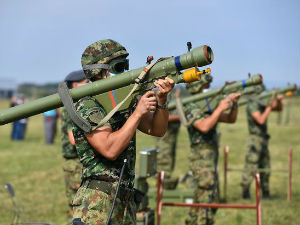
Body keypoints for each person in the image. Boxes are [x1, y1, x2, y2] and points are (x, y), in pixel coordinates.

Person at [71, 39, 174, 225]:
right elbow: (110, 149)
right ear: (100, 71)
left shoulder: (123, 99)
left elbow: (157, 129)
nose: (124, 72)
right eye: (118, 66)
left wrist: (162, 101)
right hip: (99, 203)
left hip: (125, 200)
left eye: (125, 65)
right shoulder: (87, 105)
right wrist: (138, 112)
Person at [183, 81, 241, 225]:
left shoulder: (207, 105)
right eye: (203, 87)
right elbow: (204, 126)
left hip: (210, 154)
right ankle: (202, 221)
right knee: (205, 191)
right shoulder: (190, 106)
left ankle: (194, 221)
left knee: (206, 193)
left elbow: (230, 119)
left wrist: (234, 104)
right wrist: (220, 108)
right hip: (200, 156)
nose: (206, 89)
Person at [241, 85, 283, 199]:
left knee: (265, 167)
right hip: (254, 140)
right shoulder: (252, 104)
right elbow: (260, 119)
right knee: (251, 166)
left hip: (263, 138)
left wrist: (278, 101)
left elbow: (278, 108)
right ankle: (245, 192)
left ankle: (266, 193)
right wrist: (269, 107)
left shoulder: (261, 104)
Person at [60, 70, 89, 222]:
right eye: (86, 84)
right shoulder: (71, 106)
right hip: (75, 163)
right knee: (77, 209)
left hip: (78, 162)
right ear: (76, 85)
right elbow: (73, 139)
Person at [155, 88, 180, 190]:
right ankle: (162, 187)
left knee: (170, 159)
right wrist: (180, 117)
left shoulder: (172, 93)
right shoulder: (160, 94)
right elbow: (161, 116)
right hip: (164, 137)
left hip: (171, 135)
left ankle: (166, 184)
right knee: (164, 159)